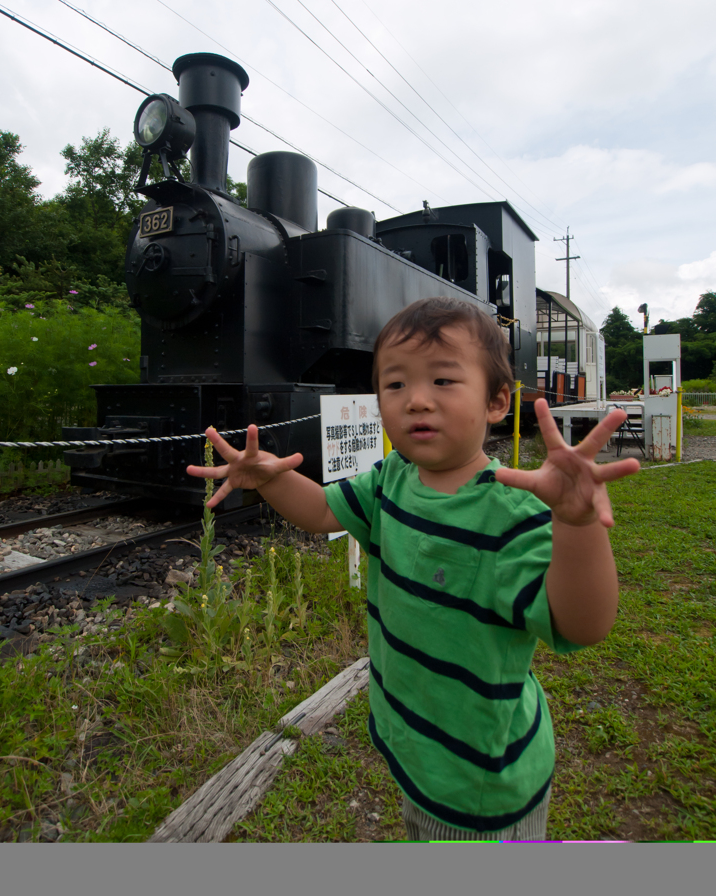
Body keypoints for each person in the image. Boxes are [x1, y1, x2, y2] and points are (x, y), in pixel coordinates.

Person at [187, 297, 640, 841]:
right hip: (417, 746)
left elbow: (582, 625)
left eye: (443, 381)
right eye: (395, 384)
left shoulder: (510, 516)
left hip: (478, 782)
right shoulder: (392, 478)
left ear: (497, 401)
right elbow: (323, 511)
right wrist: (269, 477)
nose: (416, 400)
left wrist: (576, 523)